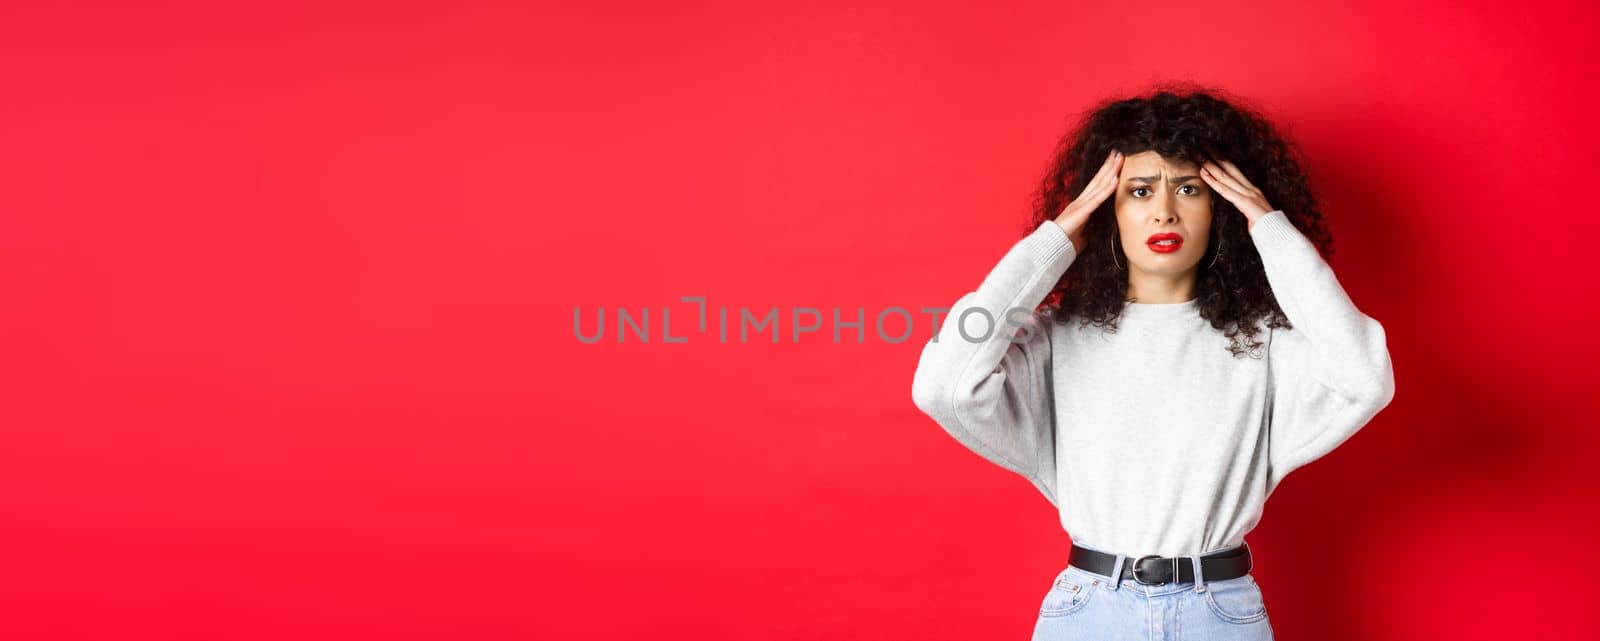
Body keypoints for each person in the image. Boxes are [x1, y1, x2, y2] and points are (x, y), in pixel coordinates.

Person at [910, 87, 1396, 640]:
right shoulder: (1055, 342)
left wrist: (1272, 229)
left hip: (1221, 613)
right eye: (1139, 190)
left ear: (1222, 210)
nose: (1164, 210)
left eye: (1188, 188)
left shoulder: (1264, 344)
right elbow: (942, 386)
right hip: (1090, 612)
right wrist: (1055, 240)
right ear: (1106, 211)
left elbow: (1365, 376)